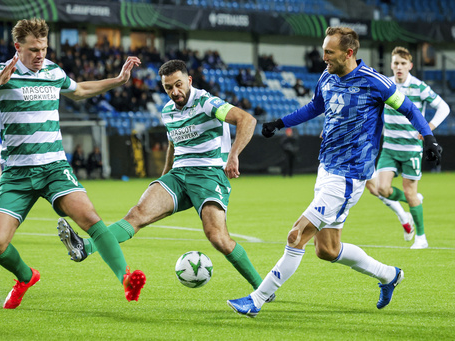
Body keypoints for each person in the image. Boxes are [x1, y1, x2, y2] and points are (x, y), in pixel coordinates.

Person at [227, 26, 442, 317]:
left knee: (296, 235)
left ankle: (257, 300)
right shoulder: (327, 76)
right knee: (327, 249)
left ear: (349, 53)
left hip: (348, 177)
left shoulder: (374, 82)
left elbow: (410, 109)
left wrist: (428, 137)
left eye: (329, 52)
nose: (323, 56)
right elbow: (315, 106)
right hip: (326, 169)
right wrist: (280, 122)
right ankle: (390, 275)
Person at [0, 18, 145, 309]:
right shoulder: (2, 73)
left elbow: (80, 90)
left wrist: (118, 80)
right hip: (17, 174)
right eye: (34, 49)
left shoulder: (52, 71)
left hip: (54, 168)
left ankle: (125, 278)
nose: (40, 55)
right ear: (17, 47)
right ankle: (25, 277)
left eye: (44, 49)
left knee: (90, 218)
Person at [58, 59, 270, 295]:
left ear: (189, 81)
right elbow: (173, 143)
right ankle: (85, 247)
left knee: (217, 238)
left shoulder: (207, 102)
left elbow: (247, 120)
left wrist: (233, 156)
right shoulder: (168, 110)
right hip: (178, 175)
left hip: (208, 174)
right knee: (136, 215)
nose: (174, 92)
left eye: (178, 85)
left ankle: (262, 289)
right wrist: (163, 178)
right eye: (168, 87)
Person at [365, 46, 449, 249]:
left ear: (410, 66)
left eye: (403, 64)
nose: (399, 67)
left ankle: (421, 238)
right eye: (396, 63)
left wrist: (429, 127)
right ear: (391, 66)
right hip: (390, 148)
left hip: (411, 149)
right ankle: (413, 202)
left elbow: (443, 107)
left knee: (409, 191)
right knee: (381, 189)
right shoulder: (385, 85)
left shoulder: (419, 87)